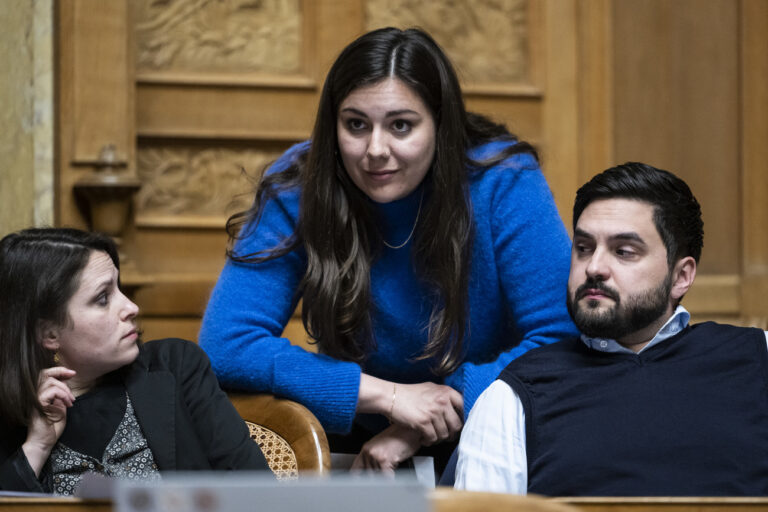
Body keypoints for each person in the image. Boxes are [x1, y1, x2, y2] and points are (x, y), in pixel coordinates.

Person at [199, 27, 577, 472]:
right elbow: (226, 343)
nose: (375, 150)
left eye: (401, 125)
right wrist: (389, 397)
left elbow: (560, 338)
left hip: (492, 423)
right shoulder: (301, 184)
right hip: (354, 435)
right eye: (356, 125)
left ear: (440, 123)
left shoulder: (503, 178)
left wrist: (420, 422)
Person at [454, 162, 768, 496]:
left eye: (624, 252)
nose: (594, 267)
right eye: (584, 248)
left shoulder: (758, 358)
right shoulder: (512, 396)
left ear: (681, 276)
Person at [0, 228, 269, 495]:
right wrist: (36, 448)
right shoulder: (15, 417)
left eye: (120, 288)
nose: (131, 307)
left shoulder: (177, 367)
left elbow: (260, 493)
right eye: (103, 298)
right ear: (49, 334)